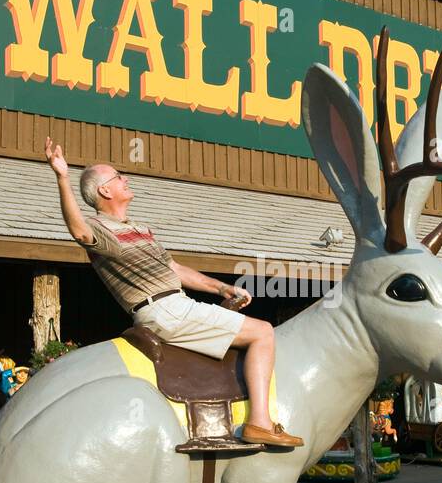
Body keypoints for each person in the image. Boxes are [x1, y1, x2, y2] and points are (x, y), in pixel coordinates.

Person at [45, 138, 303, 448]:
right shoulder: (102, 229)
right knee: (262, 332)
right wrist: (62, 177)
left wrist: (222, 287)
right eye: (119, 177)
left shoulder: (140, 228)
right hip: (161, 309)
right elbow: (79, 231)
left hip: (177, 303)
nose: (126, 179)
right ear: (105, 190)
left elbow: (175, 270)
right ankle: (260, 423)